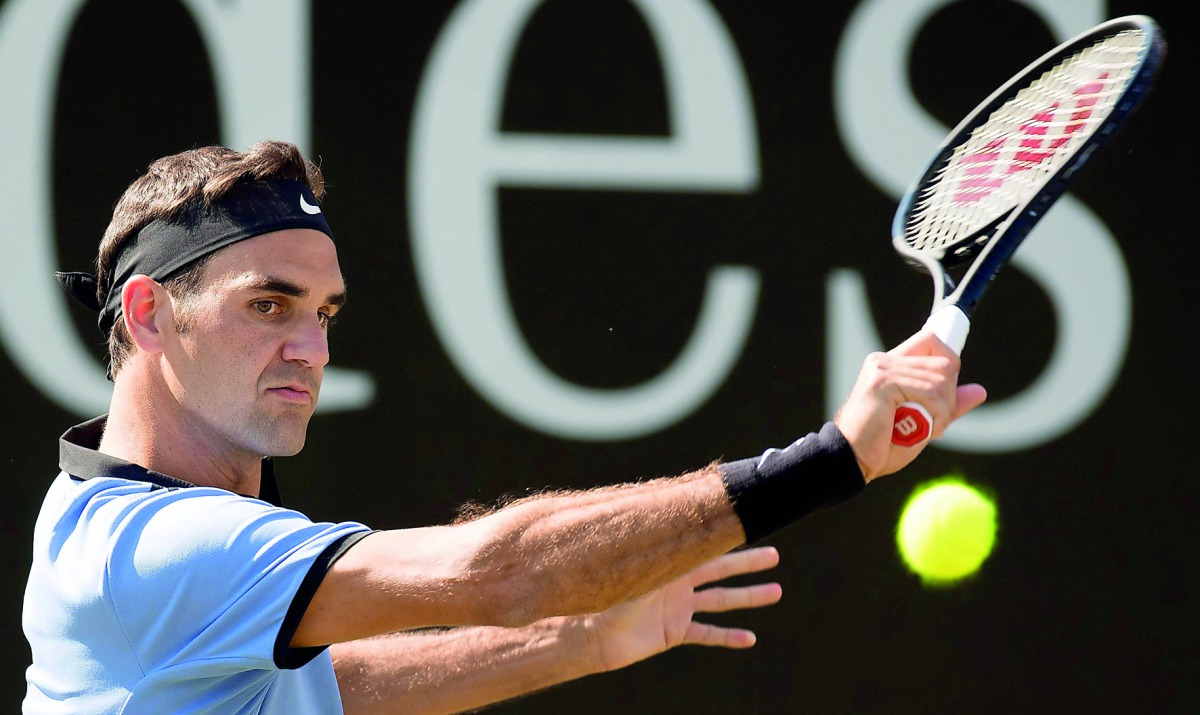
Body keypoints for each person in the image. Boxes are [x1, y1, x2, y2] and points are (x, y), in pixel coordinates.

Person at [23, 140, 986, 714]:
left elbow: (326, 696)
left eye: (323, 313)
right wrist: (831, 459)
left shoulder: (113, 527)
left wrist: (580, 637)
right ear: (148, 314)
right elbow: (500, 572)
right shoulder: (154, 550)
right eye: (270, 305)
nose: (311, 349)